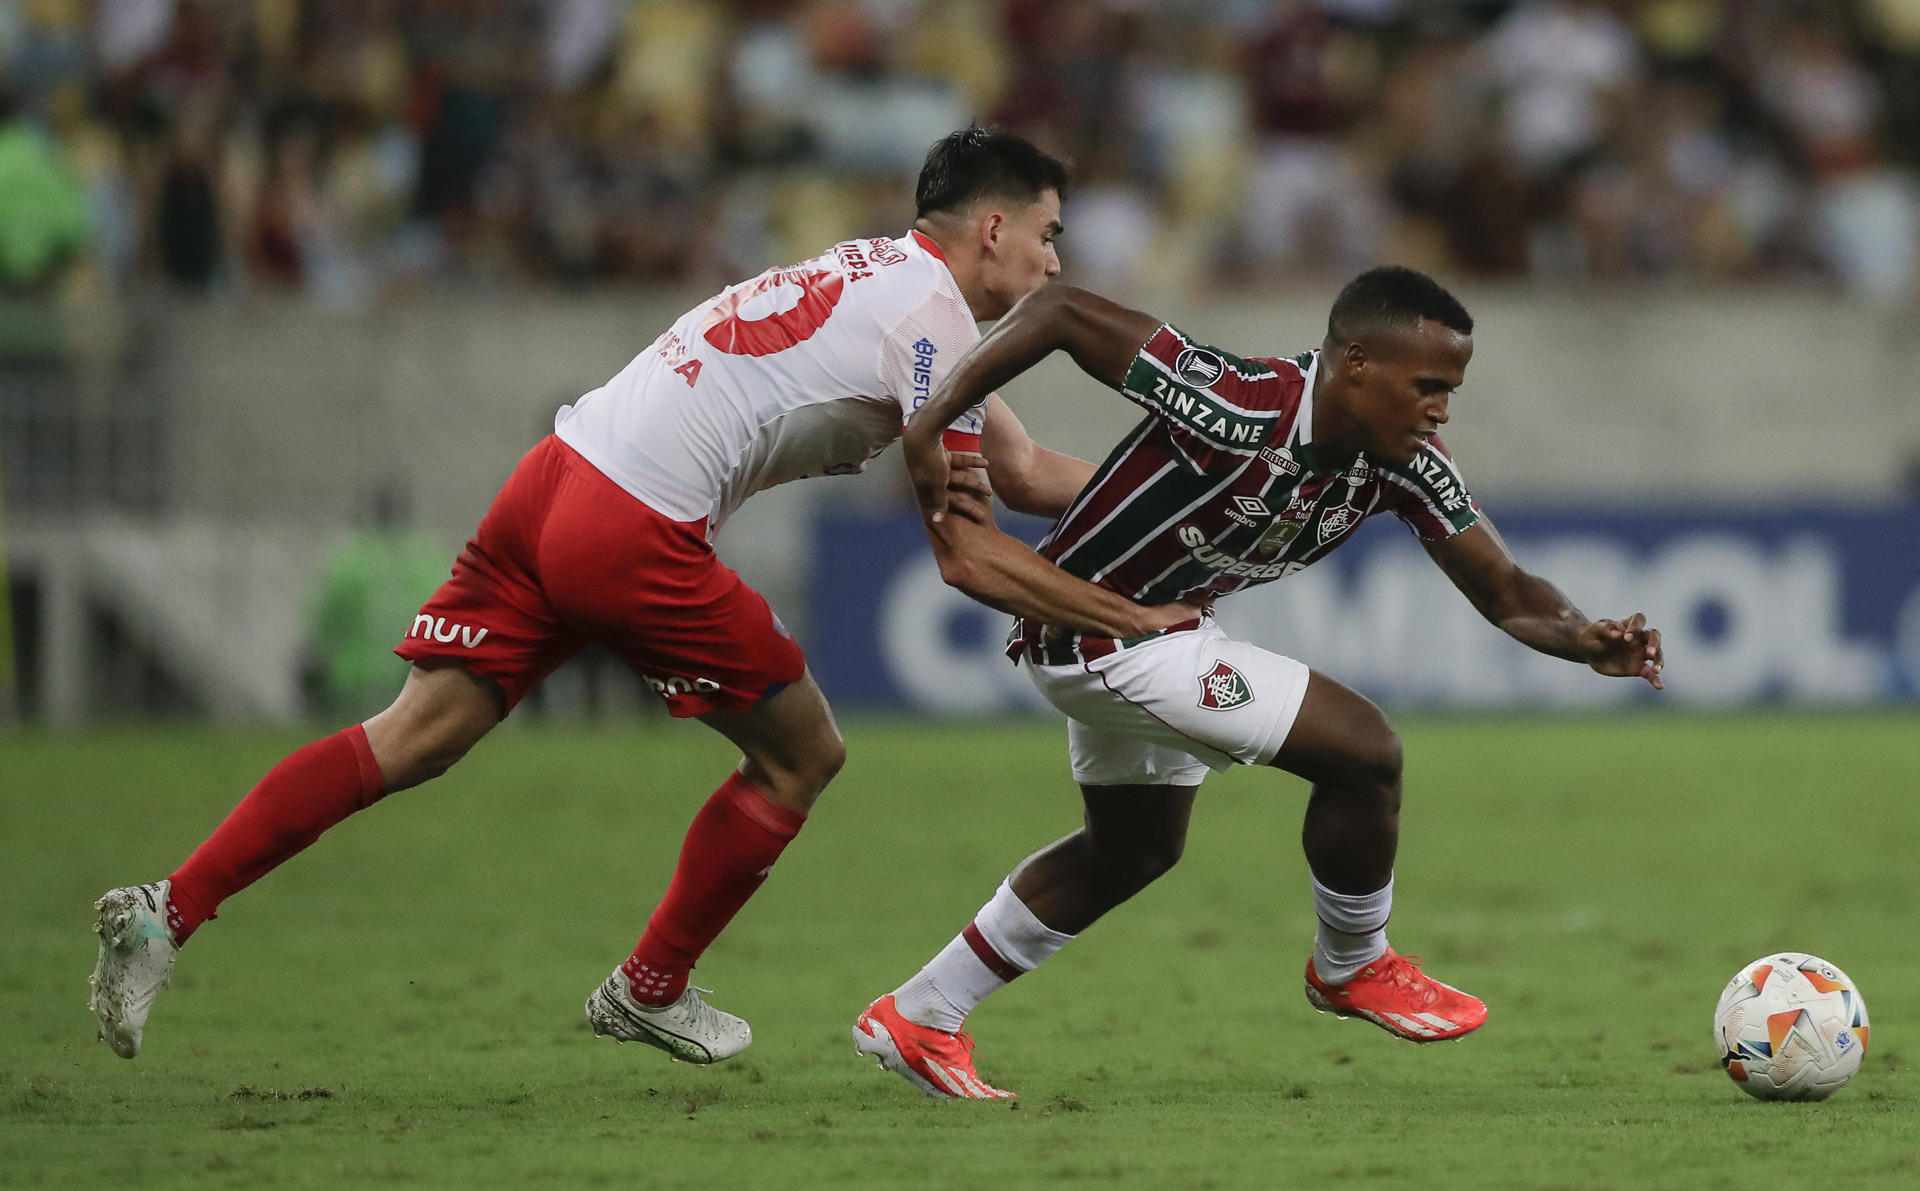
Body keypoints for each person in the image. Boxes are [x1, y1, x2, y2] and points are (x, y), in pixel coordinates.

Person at [87, 126, 1201, 1063]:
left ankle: (166, 910)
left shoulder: (882, 277)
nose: (1055, 266)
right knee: (803, 752)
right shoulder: (939, 324)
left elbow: (1021, 472)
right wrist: (1134, 615)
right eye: (1050, 236)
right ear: (994, 230)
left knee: (413, 736)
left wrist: (1204, 491)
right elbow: (966, 552)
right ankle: (649, 983)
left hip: (554, 478)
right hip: (632, 526)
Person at [852, 266, 1666, 1099]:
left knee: (1134, 848)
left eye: (1451, 389)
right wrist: (938, 414)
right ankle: (1353, 963)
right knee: (1365, 751)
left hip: (1154, 636)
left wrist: (1580, 636)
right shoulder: (1239, 402)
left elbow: (1506, 589)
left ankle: (923, 1012)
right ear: (1356, 366)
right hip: (1103, 636)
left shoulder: (1403, 464)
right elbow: (1061, 309)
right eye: (1427, 385)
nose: (1440, 409)